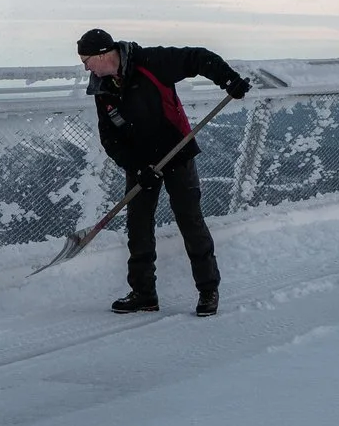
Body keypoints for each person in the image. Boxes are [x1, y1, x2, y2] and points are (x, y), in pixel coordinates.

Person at [76, 28, 253, 317]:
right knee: (138, 226)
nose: (85, 67)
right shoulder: (102, 88)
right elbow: (109, 137)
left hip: (176, 152)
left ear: (103, 54)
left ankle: (208, 290)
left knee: (190, 220)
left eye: (86, 60)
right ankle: (144, 294)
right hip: (141, 165)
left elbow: (198, 58)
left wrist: (228, 79)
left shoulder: (150, 61)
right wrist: (135, 167)